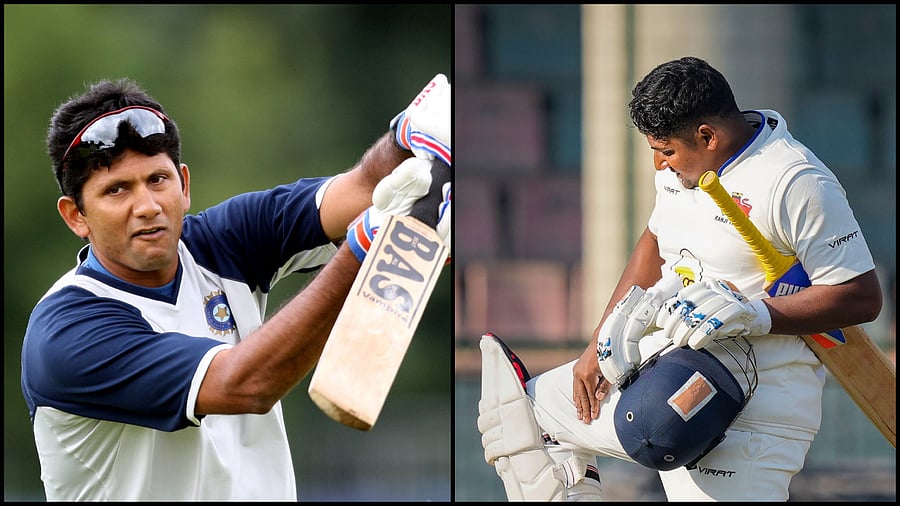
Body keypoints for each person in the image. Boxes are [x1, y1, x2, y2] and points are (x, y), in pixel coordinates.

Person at [21, 74, 451, 501]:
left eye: (158, 180)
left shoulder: (223, 240)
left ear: (184, 185)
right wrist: (369, 247)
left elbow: (363, 189)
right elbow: (246, 383)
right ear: (76, 216)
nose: (148, 206)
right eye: (117, 190)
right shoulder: (65, 332)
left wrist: (412, 136)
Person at [476, 56, 882, 501]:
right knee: (516, 421)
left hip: (752, 414)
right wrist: (598, 343)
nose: (658, 165)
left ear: (707, 136)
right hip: (660, 377)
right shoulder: (681, 173)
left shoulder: (795, 182)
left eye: (666, 150)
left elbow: (861, 297)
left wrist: (754, 314)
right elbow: (654, 240)